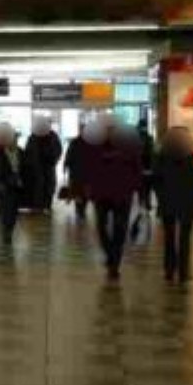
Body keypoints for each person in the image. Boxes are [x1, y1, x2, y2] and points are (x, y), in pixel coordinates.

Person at [85, 118, 144, 280]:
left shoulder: (129, 147)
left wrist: (137, 190)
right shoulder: (95, 147)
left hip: (122, 194)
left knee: (120, 228)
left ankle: (114, 262)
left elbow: (137, 170)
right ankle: (110, 254)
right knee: (101, 226)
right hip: (101, 193)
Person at [153, 126, 193, 283]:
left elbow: (156, 179)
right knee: (185, 239)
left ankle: (169, 269)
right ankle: (183, 271)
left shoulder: (161, 157)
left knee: (169, 237)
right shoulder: (190, 157)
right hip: (187, 202)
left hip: (167, 201)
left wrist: (160, 197)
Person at [0, 122, 24, 243]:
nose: (15, 142)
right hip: (5, 187)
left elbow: (27, 169)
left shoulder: (21, 153)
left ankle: (9, 228)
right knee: (7, 209)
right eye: (13, 139)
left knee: (14, 210)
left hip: (18, 187)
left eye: (16, 140)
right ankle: (7, 230)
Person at [24, 116, 64, 213]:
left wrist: (54, 159)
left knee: (49, 186)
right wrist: (29, 163)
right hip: (36, 167)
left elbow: (58, 150)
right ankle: (38, 205)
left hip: (48, 166)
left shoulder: (53, 136)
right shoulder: (33, 136)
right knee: (37, 186)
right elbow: (28, 152)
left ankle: (47, 205)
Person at [63, 123, 92, 220]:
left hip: (82, 172)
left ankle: (81, 210)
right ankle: (80, 210)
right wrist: (66, 165)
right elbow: (69, 155)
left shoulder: (88, 142)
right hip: (77, 172)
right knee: (79, 192)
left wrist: (66, 165)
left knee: (83, 193)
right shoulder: (76, 142)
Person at [137, 118, 157, 211]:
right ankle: (147, 203)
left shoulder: (135, 137)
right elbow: (152, 153)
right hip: (148, 167)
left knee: (140, 187)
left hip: (139, 167)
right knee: (147, 186)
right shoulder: (149, 138)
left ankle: (141, 202)